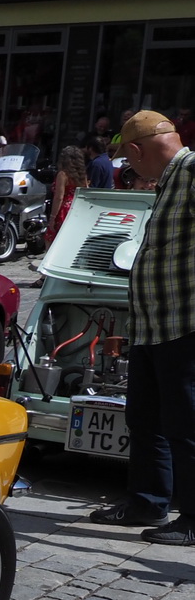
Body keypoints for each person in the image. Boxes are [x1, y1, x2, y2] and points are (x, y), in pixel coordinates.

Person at [83, 113, 193, 541]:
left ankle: (193, 519)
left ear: (135, 150)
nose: (131, 171)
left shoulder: (190, 171)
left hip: (185, 323)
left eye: (128, 163)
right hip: (154, 323)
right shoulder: (171, 180)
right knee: (145, 418)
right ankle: (148, 503)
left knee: (186, 425)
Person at [45, 144, 88, 248]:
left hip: (64, 209)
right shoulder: (82, 174)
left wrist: (52, 217)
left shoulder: (63, 175)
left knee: (52, 237)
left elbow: (59, 197)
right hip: (77, 208)